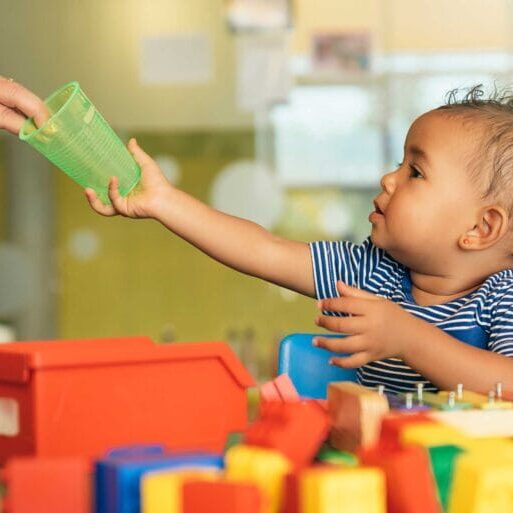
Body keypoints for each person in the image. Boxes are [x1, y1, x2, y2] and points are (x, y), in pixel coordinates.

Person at [2, 78, 513, 395]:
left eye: (415, 173)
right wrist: (163, 201)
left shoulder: (501, 297)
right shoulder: (369, 272)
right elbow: (261, 250)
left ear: (480, 228)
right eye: (400, 163)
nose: (388, 178)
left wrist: (408, 337)